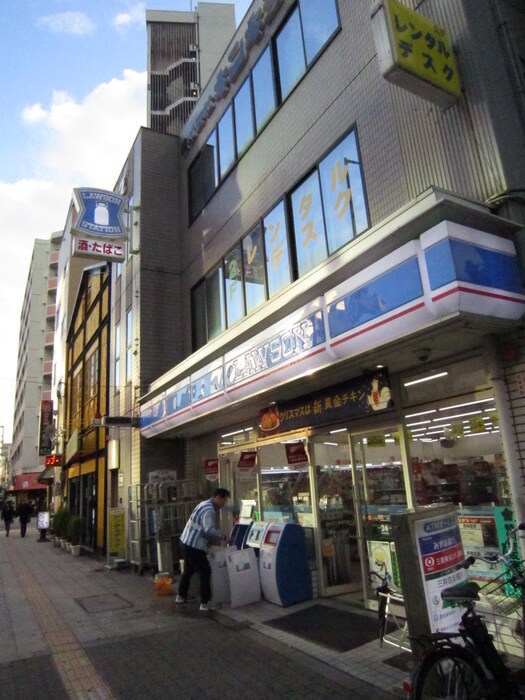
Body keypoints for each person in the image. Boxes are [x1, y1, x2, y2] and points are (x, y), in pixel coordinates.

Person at [176, 488, 233, 612]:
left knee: (188, 570)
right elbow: (209, 529)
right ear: (218, 497)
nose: (224, 503)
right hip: (195, 545)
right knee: (205, 572)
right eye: (224, 500)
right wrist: (224, 537)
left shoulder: (203, 504)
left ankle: (180, 595)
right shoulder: (209, 510)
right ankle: (205, 603)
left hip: (186, 541)